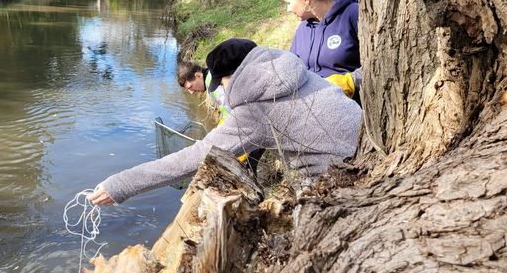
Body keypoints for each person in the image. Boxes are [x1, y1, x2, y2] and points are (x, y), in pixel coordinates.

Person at [88, 38, 361, 206]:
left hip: (339, 179)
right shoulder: (296, 71)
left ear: (233, 75)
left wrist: (120, 185)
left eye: (223, 82)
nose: (224, 89)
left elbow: (192, 158)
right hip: (368, 145)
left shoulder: (254, 111)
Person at [281, 0, 362, 101]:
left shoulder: (354, 14)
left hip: (352, 110)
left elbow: (380, 63)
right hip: (313, 110)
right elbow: (293, 67)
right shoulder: (303, 29)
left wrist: (350, 82)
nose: (288, 9)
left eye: (289, 3)